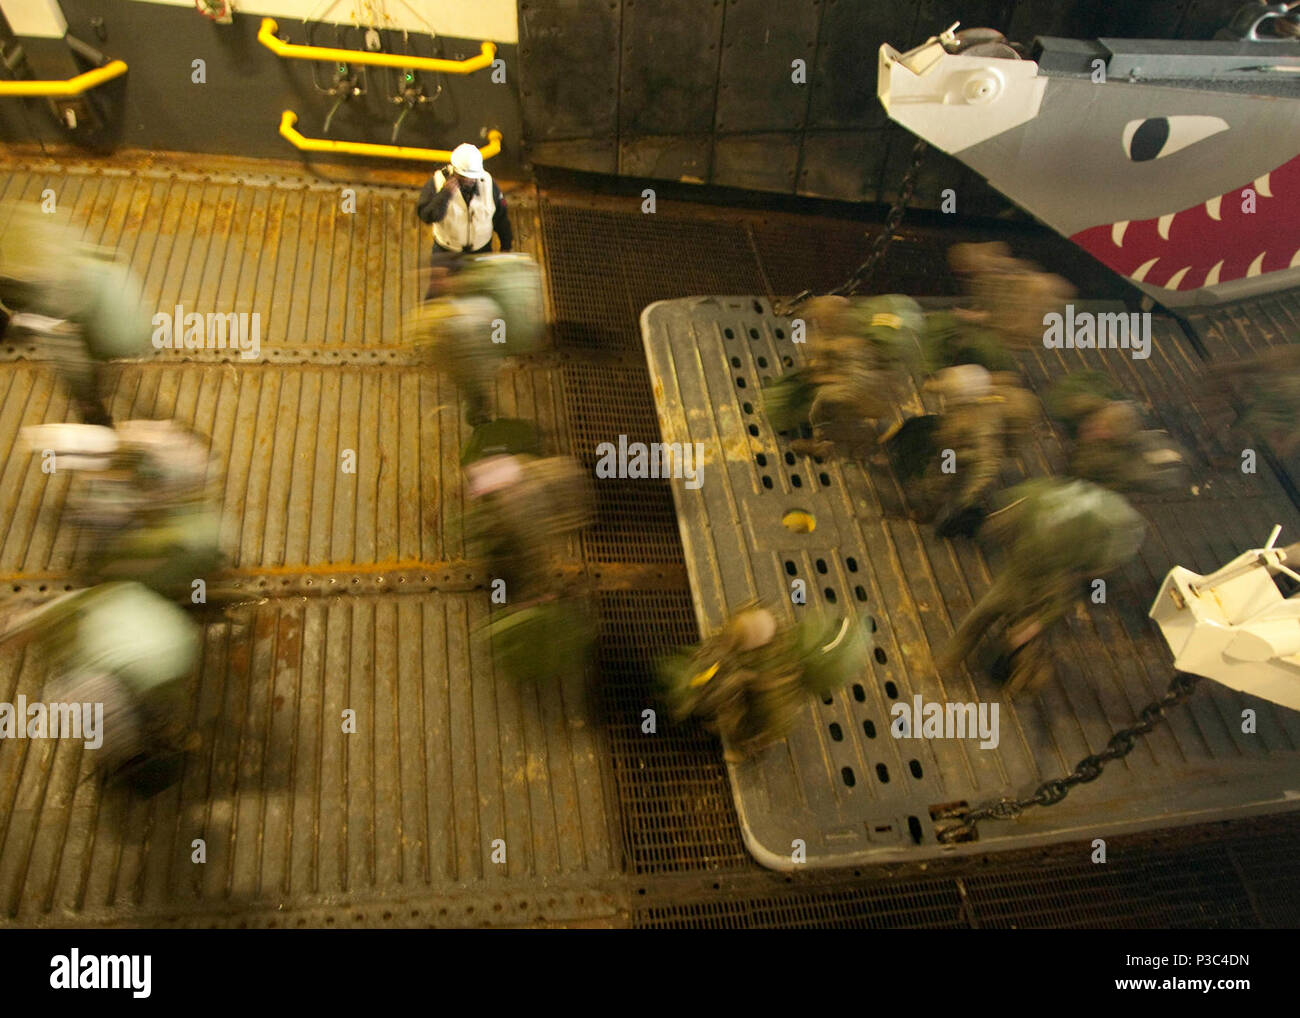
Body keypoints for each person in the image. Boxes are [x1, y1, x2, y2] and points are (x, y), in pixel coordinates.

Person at [417, 141, 514, 269]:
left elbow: (501, 217)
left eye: (473, 177)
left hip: (480, 250)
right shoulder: (437, 182)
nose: (469, 180)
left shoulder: (488, 184)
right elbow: (427, 216)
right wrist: (444, 195)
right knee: (441, 288)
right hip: (446, 252)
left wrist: (506, 246)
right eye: (464, 177)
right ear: (454, 170)